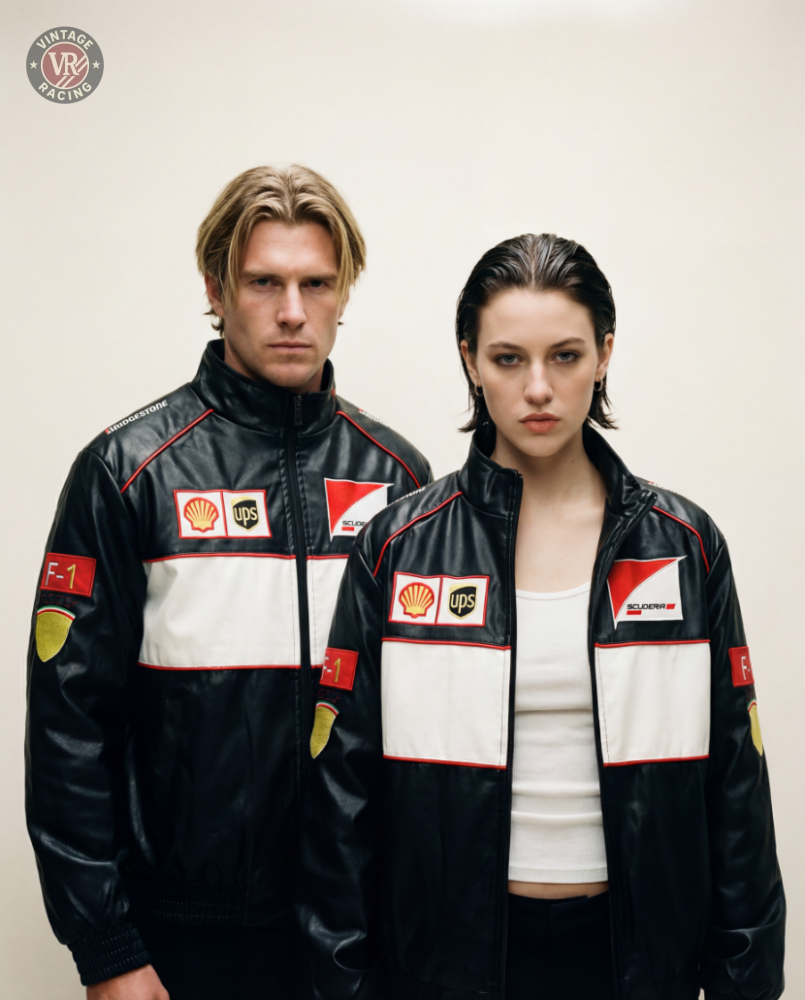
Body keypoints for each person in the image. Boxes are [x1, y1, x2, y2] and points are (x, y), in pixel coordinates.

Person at [298, 233, 785, 1000]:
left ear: (604, 354)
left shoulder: (684, 546)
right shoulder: (397, 547)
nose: (537, 389)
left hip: (633, 966)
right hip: (448, 967)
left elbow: (735, 793)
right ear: (468, 360)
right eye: (506, 359)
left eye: (563, 356)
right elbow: (342, 800)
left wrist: (744, 982)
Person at [25, 164, 431, 1000]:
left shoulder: (400, 479)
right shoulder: (128, 471)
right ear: (215, 288)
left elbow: (425, 727)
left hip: (361, 937)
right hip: (184, 941)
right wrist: (107, 949)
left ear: (344, 290)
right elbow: (70, 727)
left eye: (316, 283)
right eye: (263, 282)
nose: (292, 312)